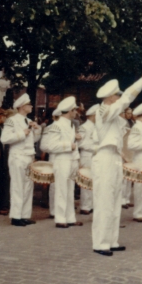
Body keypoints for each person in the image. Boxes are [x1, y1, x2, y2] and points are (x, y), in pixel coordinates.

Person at [91, 69, 142, 256]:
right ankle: (100, 243)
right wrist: (141, 81)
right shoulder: (103, 110)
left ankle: (111, 240)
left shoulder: (114, 116)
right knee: (105, 201)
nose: (119, 97)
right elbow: (126, 101)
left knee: (114, 201)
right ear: (110, 97)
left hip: (114, 157)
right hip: (104, 158)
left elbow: (125, 108)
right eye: (117, 95)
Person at [1, 94, 42, 227]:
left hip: (28, 156)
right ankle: (16, 216)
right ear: (22, 106)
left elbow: (33, 140)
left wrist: (36, 130)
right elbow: (5, 138)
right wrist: (21, 133)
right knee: (17, 186)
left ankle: (24, 215)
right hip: (17, 156)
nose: (31, 106)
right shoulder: (12, 120)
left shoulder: (28, 120)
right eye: (29, 104)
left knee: (28, 187)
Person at [46, 96, 82, 228]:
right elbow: (51, 145)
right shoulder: (56, 125)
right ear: (70, 111)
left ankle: (70, 217)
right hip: (61, 160)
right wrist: (68, 145)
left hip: (71, 160)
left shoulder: (70, 125)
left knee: (70, 190)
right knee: (61, 189)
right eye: (75, 110)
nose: (76, 112)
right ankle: (60, 218)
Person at [77, 104, 98, 215]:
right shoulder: (84, 127)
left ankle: (92, 204)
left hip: (95, 155)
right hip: (87, 155)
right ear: (92, 115)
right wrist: (95, 147)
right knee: (87, 180)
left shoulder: (96, 127)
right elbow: (81, 143)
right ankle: (85, 206)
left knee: (95, 180)